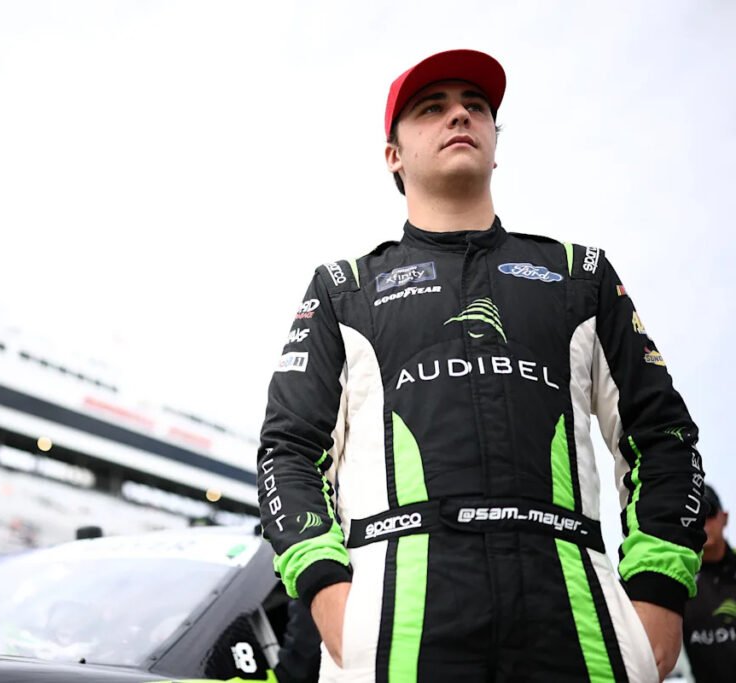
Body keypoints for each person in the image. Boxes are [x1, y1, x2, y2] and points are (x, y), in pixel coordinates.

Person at [256, 49, 706, 682]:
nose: (459, 114)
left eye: (476, 106)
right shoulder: (344, 289)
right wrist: (329, 594)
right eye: (431, 108)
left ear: (496, 143)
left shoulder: (581, 278)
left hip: (576, 624)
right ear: (394, 154)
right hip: (397, 632)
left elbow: (666, 439)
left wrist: (659, 593)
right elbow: (289, 452)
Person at [682, 484, 735, 682]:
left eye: (709, 511)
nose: (703, 522)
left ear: (725, 517)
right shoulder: (679, 579)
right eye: (696, 516)